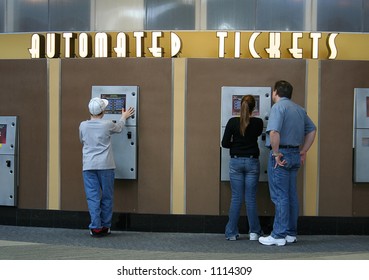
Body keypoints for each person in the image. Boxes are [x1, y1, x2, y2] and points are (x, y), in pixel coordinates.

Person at [259, 80, 316, 246]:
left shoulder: (278, 107)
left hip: (281, 155)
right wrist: (304, 150)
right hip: (294, 154)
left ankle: (278, 235)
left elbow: (274, 132)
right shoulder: (299, 109)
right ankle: (290, 233)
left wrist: (276, 153)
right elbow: (312, 130)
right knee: (291, 195)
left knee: (279, 196)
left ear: (276, 92)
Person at [79, 97, 134, 237]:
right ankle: (106, 226)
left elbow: (82, 140)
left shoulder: (83, 125)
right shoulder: (107, 124)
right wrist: (124, 116)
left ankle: (95, 227)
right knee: (107, 197)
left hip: (88, 166)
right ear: (103, 111)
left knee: (93, 197)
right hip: (106, 166)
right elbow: (120, 128)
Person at [222, 95, 263, 241]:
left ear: (240, 106)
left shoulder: (232, 122)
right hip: (252, 162)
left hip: (236, 162)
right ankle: (254, 232)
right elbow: (257, 135)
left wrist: (237, 145)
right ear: (254, 108)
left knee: (236, 198)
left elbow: (225, 143)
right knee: (250, 198)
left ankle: (231, 233)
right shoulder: (258, 122)